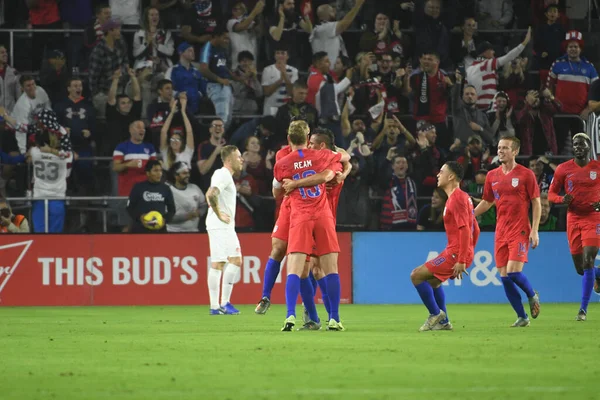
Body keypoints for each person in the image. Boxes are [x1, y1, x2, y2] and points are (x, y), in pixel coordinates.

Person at [273, 120, 349, 331]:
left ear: (289, 139)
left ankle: (290, 316)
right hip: (323, 215)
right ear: (308, 139)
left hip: (300, 217)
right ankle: (334, 318)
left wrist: (294, 183)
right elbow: (344, 157)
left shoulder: (282, 164)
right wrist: (346, 167)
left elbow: (278, 188)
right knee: (330, 269)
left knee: (295, 270)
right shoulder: (322, 156)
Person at [474, 136, 542, 327]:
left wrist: (534, 230)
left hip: (519, 229)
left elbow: (536, 202)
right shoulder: (492, 176)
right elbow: (487, 202)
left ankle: (531, 294)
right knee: (504, 277)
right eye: (499, 147)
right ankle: (522, 317)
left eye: (505, 148)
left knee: (513, 273)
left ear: (515, 151)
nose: (500, 151)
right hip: (501, 231)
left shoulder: (526, 174)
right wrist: (471, 214)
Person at [410, 161, 480, 331]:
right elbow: (475, 229)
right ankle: (444, 322)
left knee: (416, 276)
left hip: (456, 253)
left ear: (451, 176)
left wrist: (462, 259)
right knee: (433, 283)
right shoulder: (462, 198)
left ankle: (435, 314)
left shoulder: (457, 199)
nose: (437, 175)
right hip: (457, 251)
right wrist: (469, 252)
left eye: (441, 172)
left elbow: (465, 230)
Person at [548, 133, 600, 321]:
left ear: (588, 146)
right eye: (575, 144)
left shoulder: (597, 167)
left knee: (588, 261)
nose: (577, 147)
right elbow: (551, 194)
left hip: (593, 218)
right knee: (581, 268)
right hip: (573, 219)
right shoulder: (563, 169)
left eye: (581, 144)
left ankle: (583, 309)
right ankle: (598, 274)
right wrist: (562, 199)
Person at [205, 145, 244, 315]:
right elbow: (212, 193)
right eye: (238, 156)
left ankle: (221, 304)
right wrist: (219, 214)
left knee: (234, 260)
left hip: (223, 225)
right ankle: (218, 305)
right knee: (221, 262)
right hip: (220, 225)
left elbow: (209, 193)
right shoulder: (223, 174)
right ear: (229, 160)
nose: (241, 160)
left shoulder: (223, 175)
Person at [29, 130, 74, 233]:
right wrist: (51, 151)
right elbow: (69, 155)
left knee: (39, 233)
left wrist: (48, 150)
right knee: (55, 235)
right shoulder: (65, 155)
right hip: (56, 196)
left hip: (40, 195)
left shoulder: (35, 152)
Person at [126, 160, 175, 233]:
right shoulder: (138, 187)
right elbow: (129, 208)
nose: (159, 174)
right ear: (148, 173)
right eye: (155, 171)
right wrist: (140, 217)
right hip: (140, 230)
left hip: (159, 230)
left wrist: (164, 220)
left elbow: (172, 210)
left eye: (160, 170)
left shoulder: (166, 188)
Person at [166, 162, 207, 233]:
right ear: (176, 175)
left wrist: (199, 212)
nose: (187, 175)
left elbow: (204, 205)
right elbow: (167, 217)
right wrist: (187, 216)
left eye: (188, 173)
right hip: (173, 232)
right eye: (184, 173)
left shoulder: (195, 188)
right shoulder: (169, 191)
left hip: (193, 232)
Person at [159, 93, 194, 170]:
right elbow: (163, 132)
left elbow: (189, 132)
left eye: (177, 139)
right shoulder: (165, 152)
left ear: (182, 142)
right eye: (172, 139)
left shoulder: (187, 151)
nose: (174, 141)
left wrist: (183, 112)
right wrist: (172, 112)